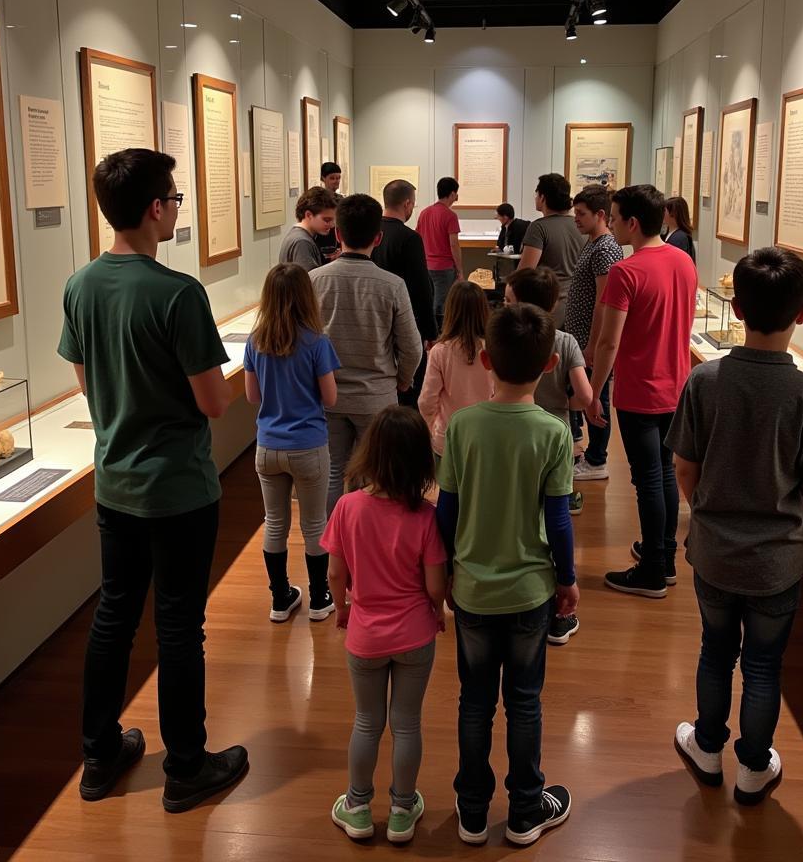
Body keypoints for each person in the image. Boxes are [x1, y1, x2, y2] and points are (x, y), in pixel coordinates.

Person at [58, 148, 247, 813]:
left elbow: (85, 383)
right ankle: (187, 767)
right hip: (178, 490)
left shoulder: (81, 285)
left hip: (114, 485)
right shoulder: (176, 293)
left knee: (114, 615)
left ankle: (99, 753)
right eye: (173, 198)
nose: (174, 209)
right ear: (152, 209)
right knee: (177, 625)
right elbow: (214, 403)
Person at [666, 247, 803, 805]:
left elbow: (685, 468)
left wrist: (714, 511)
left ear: (736, 308)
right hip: (777, 561)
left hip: (715, 551)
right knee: (764, 664)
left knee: (715, 650)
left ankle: (708, 747)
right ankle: (753, 768)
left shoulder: (706, 382)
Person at [436, 303, 577, 847]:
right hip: (529, 592)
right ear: (548, 366)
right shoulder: (552, 433)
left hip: (471, 587)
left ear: (487, 359)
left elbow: (445, 511)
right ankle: (524, 809)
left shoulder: (464, 426)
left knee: (474, 700)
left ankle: (472, 809)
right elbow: (558, 518)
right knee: (524, 700)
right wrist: (567, 579)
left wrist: (443, 571)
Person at [323, 407, 447, 844]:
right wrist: (437, 611)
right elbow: (435, 583)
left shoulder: (347, 508)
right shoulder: (426, 517)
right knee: (407, 722)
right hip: (415, 634)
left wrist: (341, 609)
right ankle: (401, 809)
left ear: (369, 454)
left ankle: (357, 807)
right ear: (420, 462)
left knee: (367, 722)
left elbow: (335, 574)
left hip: (366, 635)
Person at [585, 184, 696, 598]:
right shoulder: (683, 261)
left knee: (648, 478)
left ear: (632, 222)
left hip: (640, 390)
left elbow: (608, 343)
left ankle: (652, 569)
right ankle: (662, 554)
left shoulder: (625, 272)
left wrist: (593, 392)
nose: (610, 223)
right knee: (664, 472)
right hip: (677, 386)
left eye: (613, 217)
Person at [310, 194, 423, 520]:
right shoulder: (392, 285)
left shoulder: (314, 281)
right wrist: (403, 379)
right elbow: (412, 347)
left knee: (332, 473)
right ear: (378, 237)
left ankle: (336, 546)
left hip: (327, 395)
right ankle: (365, 544)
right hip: (377, 397)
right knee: (374, 476)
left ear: (338, 235)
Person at [244, 263, 341, 624]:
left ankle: (280, 598)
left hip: (267, 446)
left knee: (275, 522)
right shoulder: (317, 341)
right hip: (308, 444)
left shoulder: (256, 341)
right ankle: (319, 598)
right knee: (314, 524)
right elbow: (330, 398)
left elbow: (252, 396)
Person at [505, 267, 593, 539]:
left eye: (508, 301)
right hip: (557, 427)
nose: (504, 306)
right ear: (553, 303)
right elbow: (586, 396)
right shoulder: (565, 341)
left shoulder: (506, 338)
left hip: (515, 426)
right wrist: (569, 404)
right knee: (555, 503)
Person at [566, 184, 624, 481]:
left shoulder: (605, 248)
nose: (576, 218)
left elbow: (605, 302)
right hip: (580, 340)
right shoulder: (592, 242)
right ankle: (589, 453)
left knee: (596, 398)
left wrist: (591, 345)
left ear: (600, 214)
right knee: (586, 396)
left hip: (591, 343)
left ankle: (597, 459)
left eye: (581, 213)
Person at [371, 179, 437, 405]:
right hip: (404, 319)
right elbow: (421, 287)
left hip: (374, 317)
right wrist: (430, 331)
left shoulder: (372, 231)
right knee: (409, 388)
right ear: (407, 204)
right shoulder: (410, 238)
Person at [417, 280, 493, 461]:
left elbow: (427, 401)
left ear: (450, 311)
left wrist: (432, 426)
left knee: (448, 489)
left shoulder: (440, 351)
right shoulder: (494, 349)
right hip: (487, 437)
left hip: (448, 438)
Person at [517, 173, 587, 328]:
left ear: (542, 197)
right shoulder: (581, 226)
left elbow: (525, 273)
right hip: (577, 307)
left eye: (537, 194)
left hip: (549, 306)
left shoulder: (538, 227)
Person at [416, 177, 463, 332]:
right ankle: (439, 336)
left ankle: (430, 335)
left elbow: (418, 237)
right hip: (444, 267)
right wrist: (460, 270)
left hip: (426, 265)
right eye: (456, 193)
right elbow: (454, 244)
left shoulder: (424, 213)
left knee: (430, 300)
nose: (457, 196)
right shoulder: (450, 216)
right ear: (451, 194)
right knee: (442, 304)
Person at [278, 187, 338, 271]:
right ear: (309, 215)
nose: (332, 225)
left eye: (333, 220)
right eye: (327, 220)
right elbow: (311, 280)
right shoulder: (302, 242)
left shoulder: (301, 237)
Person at [315, 161, 344, 262]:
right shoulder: (317, 199)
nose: (336, 181)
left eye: (338, 178)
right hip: (322, 239)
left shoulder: (341, 200)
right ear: (323, 178)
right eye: (332, 178)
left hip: (338, 241)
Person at [663, 196, 697, 264]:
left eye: (664, 211)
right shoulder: (670, 234)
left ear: (673, 214)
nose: (662, 214)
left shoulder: (679, 238)